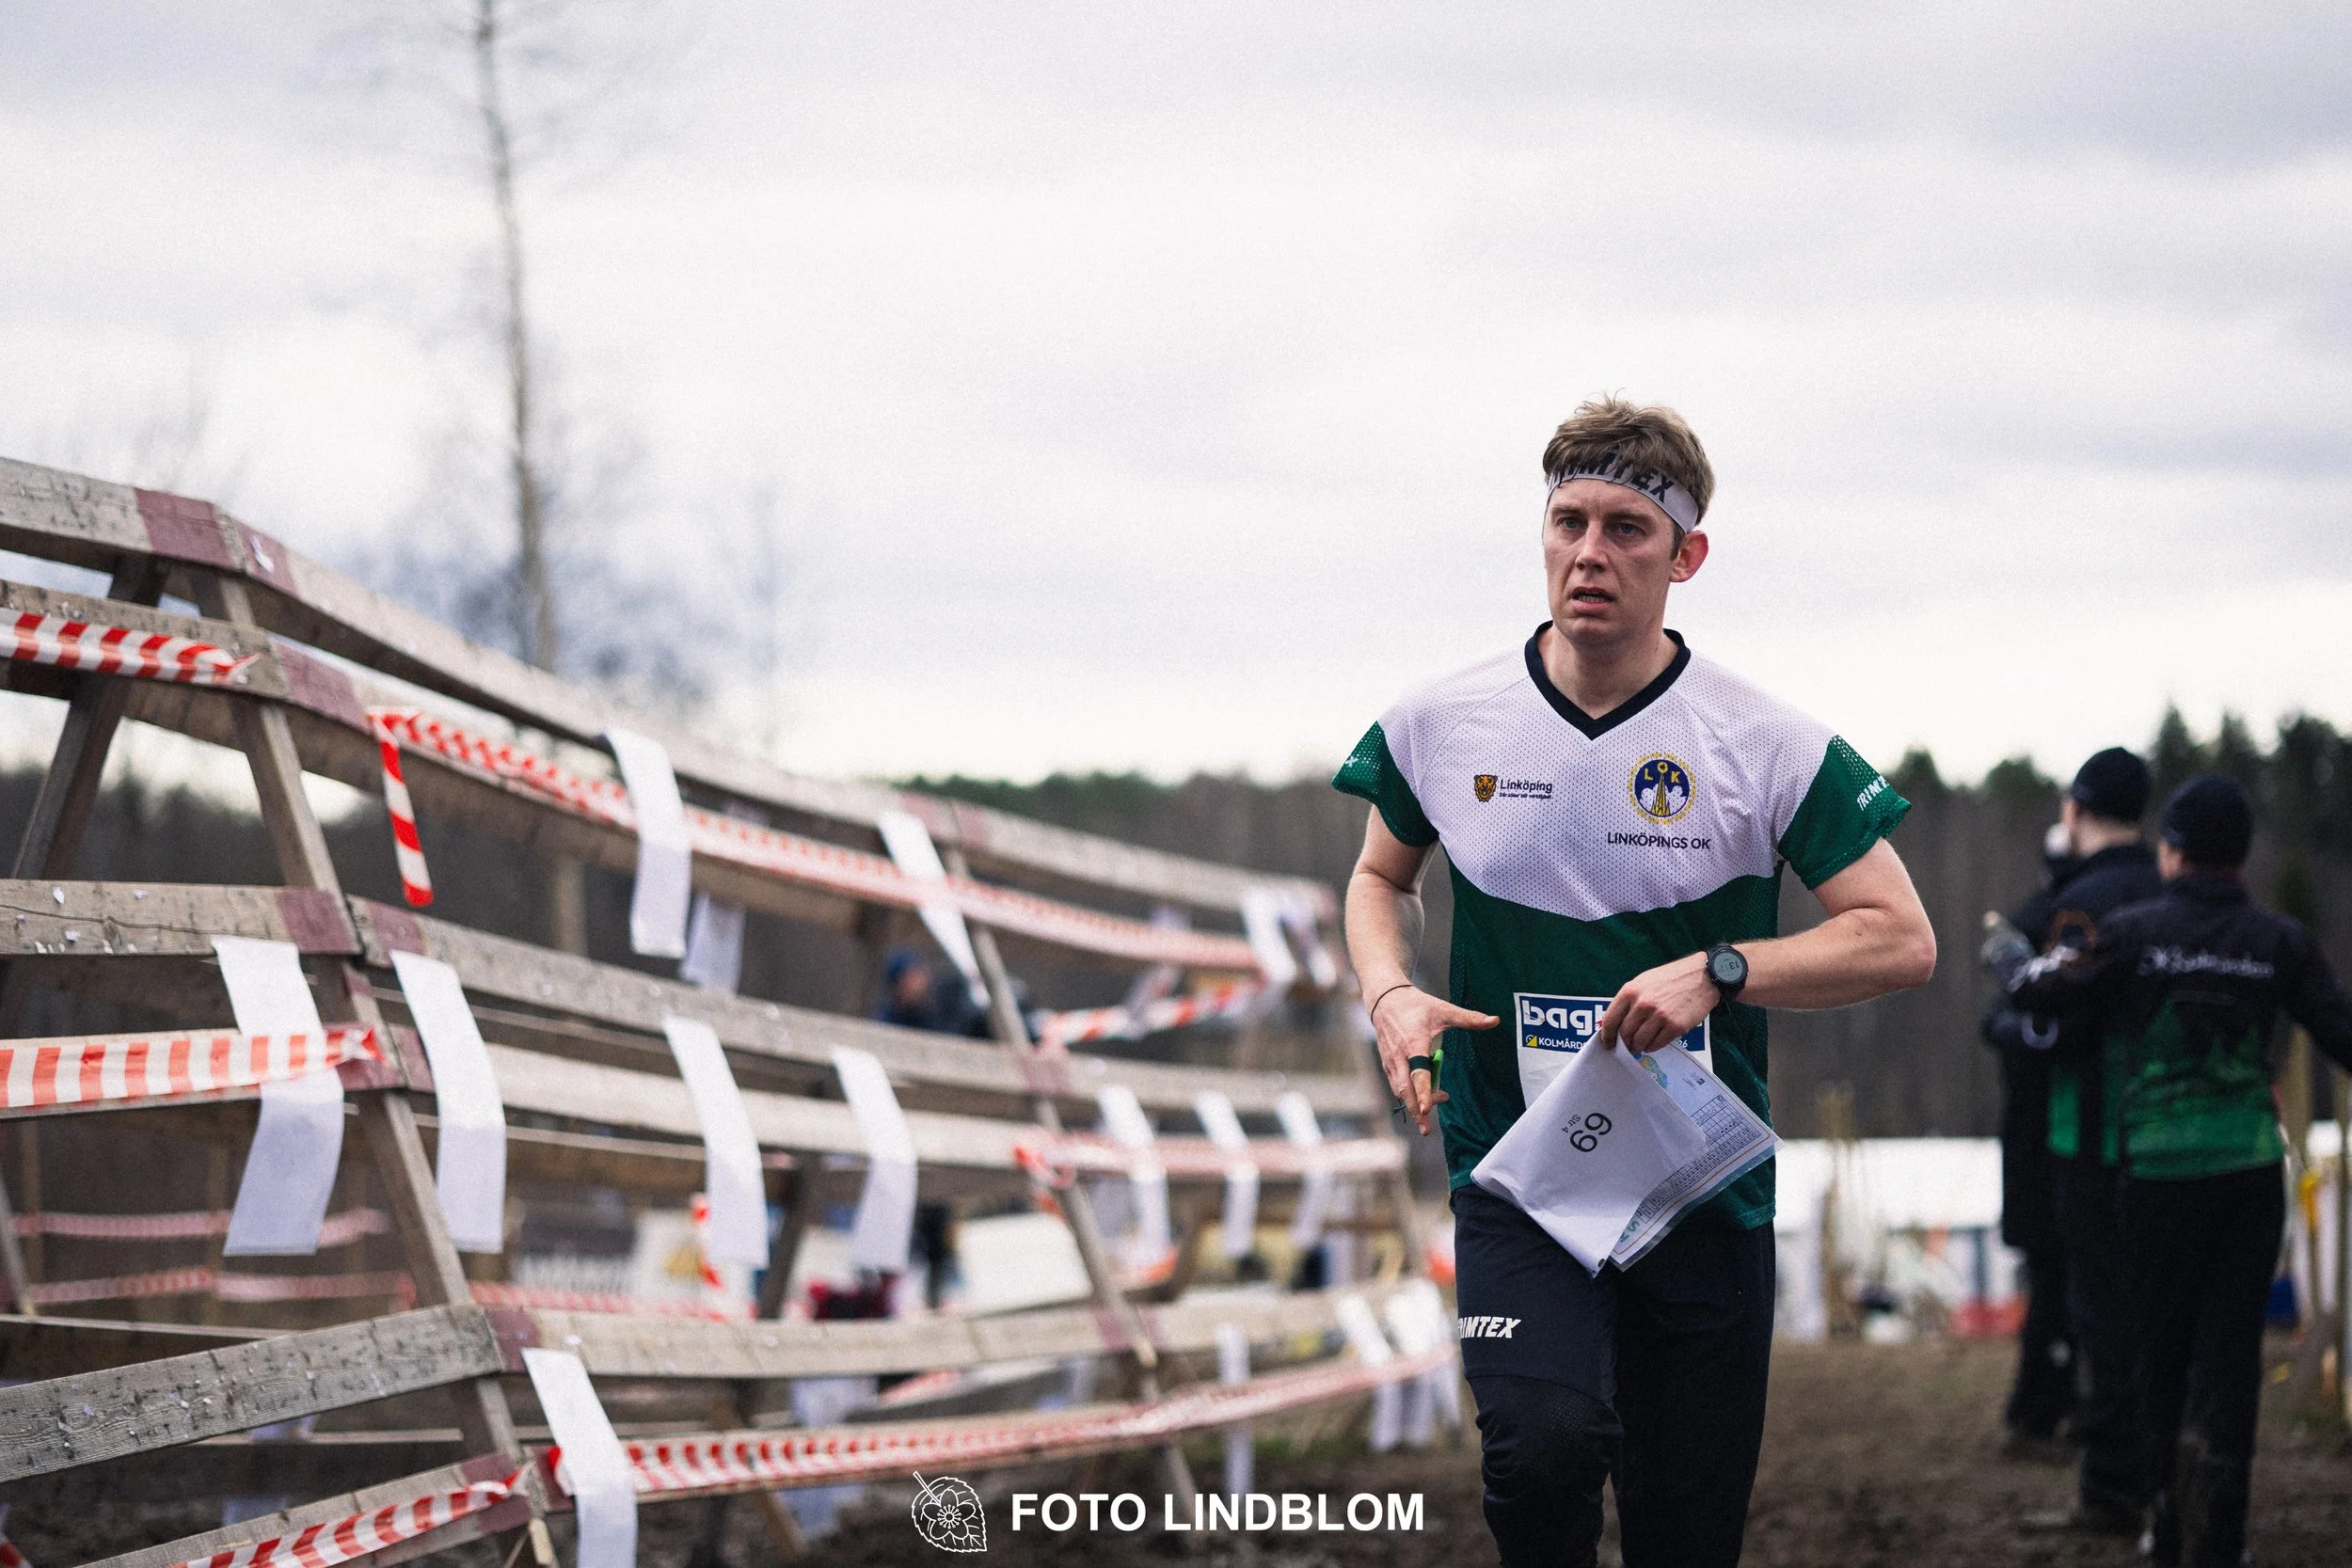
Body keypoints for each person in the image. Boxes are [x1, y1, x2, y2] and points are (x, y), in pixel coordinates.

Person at [1334, 397, 1936, 1568]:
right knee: (1540, 1449)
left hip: (1697, 1191)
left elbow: (1899, 936)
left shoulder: (1765, 743)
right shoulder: (1441, 721)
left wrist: (1724, 970)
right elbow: (1375, 878)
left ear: (1686, 555)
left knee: (1684, 1530)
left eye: (1626, 528)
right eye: (1568, 521)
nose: (1589, 554)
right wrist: (1388, 989)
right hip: (1516, 1172)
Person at [1997, 774, 2352, 1565]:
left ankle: (2164, 1524)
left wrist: (2012, 963)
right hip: (2249, 1174)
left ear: (2176, 848)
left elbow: (2040, 994)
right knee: (2231, 1355)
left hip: (2156, 1175)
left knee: (2159, 1348)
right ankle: (2221, 1535)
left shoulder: (2130, 931)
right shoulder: (2280, 940)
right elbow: (2340, 1031)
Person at [1979, 747, 2163, 1497]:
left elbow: (2058, 1023)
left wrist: (2006, 1022)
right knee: (2152, 1302)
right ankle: (2152, 1469)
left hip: (2087, 1131)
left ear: (2076, 809)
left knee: (2098, 1305)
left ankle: (2113, 1478)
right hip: (2163, 1135)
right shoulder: (2165, 887)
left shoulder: (2076, 904)